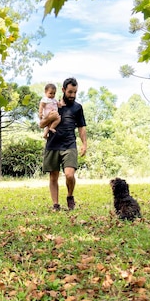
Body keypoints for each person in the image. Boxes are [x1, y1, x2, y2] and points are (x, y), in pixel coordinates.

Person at [39, 77, 87, 211]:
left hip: (69, 145)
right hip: (53, 144)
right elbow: (41, 124)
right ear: (63, 90)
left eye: (75, 92)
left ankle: (70, 196)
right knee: (53, 176)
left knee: (69, 174)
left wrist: (84, 144)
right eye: (70, 92)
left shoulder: (78, 108)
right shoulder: (52, 104)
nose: (72, 95)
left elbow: (82, 127)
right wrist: (50, 117)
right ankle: (56, 205)